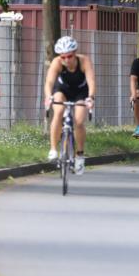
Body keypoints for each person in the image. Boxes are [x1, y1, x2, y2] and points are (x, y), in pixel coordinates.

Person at [43, 36, 96, 175]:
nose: (66, 60)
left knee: (78, 121)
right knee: (59, 111)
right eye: (63, 57)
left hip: (80, 92)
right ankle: (53, 149)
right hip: (62, 90)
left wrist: (90, 98)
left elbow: (91, 80)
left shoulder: (84, 61)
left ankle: (79, 155)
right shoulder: (57, 62)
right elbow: (49, 82)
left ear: (75, 53)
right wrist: (48, 96)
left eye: (69, 56)